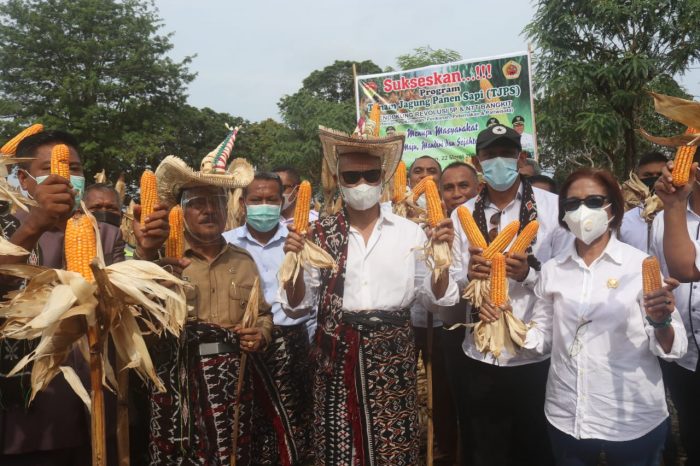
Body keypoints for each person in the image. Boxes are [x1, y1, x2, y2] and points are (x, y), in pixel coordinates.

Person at [279, 127, 458, 465]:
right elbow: (296, 306)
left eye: (370, 174)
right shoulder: (318, 233)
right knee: (338, 447)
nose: (361, 183)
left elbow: (437, 300)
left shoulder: (410, 232)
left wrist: (442, 259)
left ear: (383, 177)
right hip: (335, 353)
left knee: (394, 443)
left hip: (392, 353)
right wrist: (293, 263)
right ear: (338, 179)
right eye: (351, 176)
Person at [488, 167, 685, 465]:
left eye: (594, 201)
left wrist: (661, 321)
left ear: (613, 208)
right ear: (563, 214)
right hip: (567, 415)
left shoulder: (639, 266)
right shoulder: (553, 270)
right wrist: (507, 321)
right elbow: (542, 340)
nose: (583, 210)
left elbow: (674, 348)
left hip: (631, 417)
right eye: (572, 203)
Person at [0, 129, 167, 466]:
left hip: (100, 402)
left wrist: (148, 253)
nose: (66, 176)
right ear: (24, 179)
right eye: (51, 167)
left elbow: (130, 307)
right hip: (30, 414)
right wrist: (34, 224)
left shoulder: (105, 233)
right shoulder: (6, 227)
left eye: (74, 169)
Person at [449, 124, 572, 466]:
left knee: (535, 447)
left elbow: (568, 277)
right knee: (487, 449)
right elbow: (451, 277)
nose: (498, 161)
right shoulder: (462, 215)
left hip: (534, 353)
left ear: (520, 158)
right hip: (481, 354)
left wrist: (529, 273)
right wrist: (468, 281)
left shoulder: (553, 209)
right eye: (490, 155)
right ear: (478, 162)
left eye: (506, 154)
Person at [147, 154, 273, 465]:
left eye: (216, 201)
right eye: (196, 202)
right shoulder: (160, 261)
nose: (208, 210)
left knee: (233, 454)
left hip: (233, 382)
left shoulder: (243, 261)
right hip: (179, 381)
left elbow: (264, 315)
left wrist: (261, 334)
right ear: (182, 211)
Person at [223, 172, 313, 465]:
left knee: (292, 428)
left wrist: (296, 261)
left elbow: (303, 304)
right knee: (245, 428)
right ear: (243, 203)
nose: (264, 206)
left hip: (289, 345)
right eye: (256, 199)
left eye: (271, 199)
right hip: (241, 345)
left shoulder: (298, 242)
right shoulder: (226, 244)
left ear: (283, 200)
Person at [651, 156, 700, 465]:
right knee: (693, 430)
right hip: (685, 355)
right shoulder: (661, 220)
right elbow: (665, 271)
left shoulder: (669, 213)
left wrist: (673, 206)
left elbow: (685, 268)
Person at [619, 152, 668, 252]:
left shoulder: (681, 215)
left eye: (660, 175)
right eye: (648, 175)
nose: (655, 179)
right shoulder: (623, 219)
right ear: (637, 177)